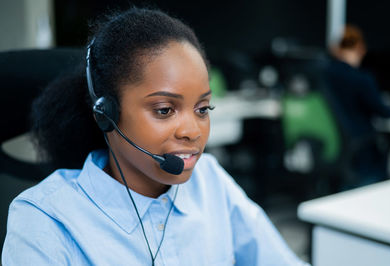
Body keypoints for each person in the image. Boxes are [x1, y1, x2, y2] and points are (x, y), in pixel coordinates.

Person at [2, 7, 307, 265]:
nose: (192, 131)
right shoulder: (46, 220)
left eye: (202, 109)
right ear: (105, 113)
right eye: (164, 110)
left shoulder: (209, 181)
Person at [325, 24, 390, 187]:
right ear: (359, 47)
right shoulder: (360, 79)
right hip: (361, 148)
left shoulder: (322, 74)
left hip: (332, 146)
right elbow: (381, 110)